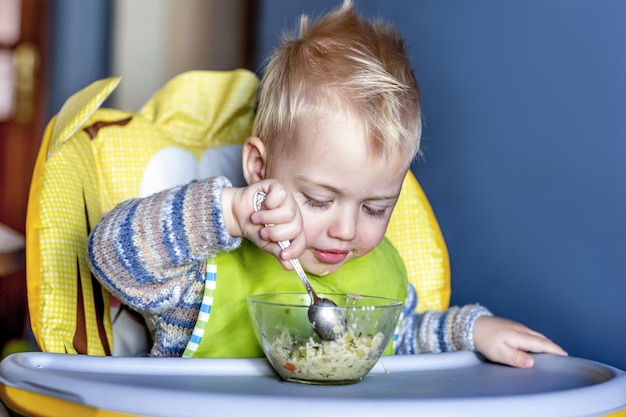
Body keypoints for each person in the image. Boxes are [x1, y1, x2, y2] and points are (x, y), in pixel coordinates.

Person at [87, 0, 566, 367]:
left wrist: (473, 331)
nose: (346, 229)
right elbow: (110, 255)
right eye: (319, 199)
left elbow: (402, 338)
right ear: (257, 167)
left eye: (375, 208)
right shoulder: (202, 274)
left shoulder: (375, 275)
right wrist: (232, 210)